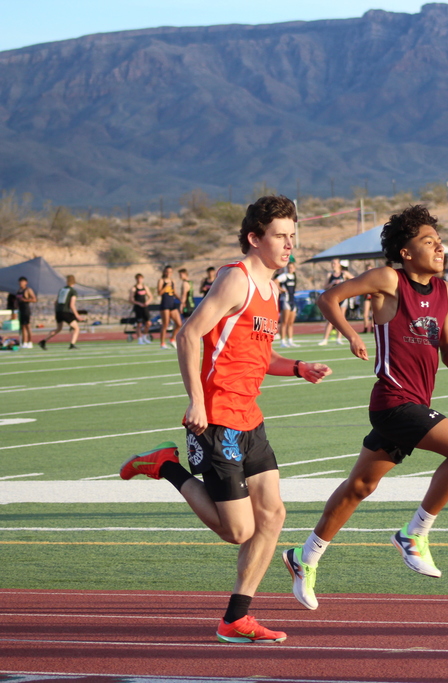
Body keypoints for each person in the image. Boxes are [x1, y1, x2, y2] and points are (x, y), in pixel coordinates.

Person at [119, 195, 332, 643]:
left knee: (273, 516)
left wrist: (297, 367)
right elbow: (188, 334)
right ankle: (165, 466)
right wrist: (195, 400)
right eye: (280, 235)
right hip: (215, 419)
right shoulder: (236, 280)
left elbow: (256, 353)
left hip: (250, 418)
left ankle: (236, 618)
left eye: (293, 236)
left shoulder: (272, 289)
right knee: (238, 530)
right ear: (255, 238)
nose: (289, 244)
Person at [282, 204, 448, 611]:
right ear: (407, 252)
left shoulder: (446, 291)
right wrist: (351, 335)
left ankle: (303, 557)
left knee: (360, 486)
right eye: (428, 242)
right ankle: (414, 534)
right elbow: (329, 298)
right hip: (393, 401)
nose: (439, 247)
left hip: (415, 402)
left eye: (440, 241)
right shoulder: (389, 279)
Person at [39, 275, 82, 350]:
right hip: (65, 312)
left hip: (58, 312)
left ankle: (43, 341)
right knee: (76, 328)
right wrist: (77, 315)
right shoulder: (72, 291)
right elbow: (72, 305)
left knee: (58, 329)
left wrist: (57, 311)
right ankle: (72, 344)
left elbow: (56, 302)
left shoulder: (62, 289)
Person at [318, 259, 352, 345]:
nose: (333, 265)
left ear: (339, 264)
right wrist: (332, 283)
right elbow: (325, 286)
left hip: (343, 298)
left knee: (341, 318)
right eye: (332, 263)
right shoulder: (330, 275)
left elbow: (354, 281)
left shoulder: (344, 274)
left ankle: (339, 338)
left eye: (334, 263)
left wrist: (344, 283)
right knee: (330, 319)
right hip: (333, 299)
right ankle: (325, 339)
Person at [156, 266, 182, 349]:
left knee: (179, 323)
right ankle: (162, 343)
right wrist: (166, 286)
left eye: (170, 272)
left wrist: (181, 300)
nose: (168, 273)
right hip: (165, 304)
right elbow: (159, 292)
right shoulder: (161, 280)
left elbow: (174, 292)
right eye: (167, 272)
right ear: (164, 272)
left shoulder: (173, 281)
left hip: (172, 303)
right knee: (165, 324)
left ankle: (172, 339)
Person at [275, 261, 298, 347]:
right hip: (286, 299)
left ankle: (290, 340)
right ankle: (283, 341)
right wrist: (281, 289)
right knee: (284, 322)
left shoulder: (294, 276)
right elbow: (275, 281)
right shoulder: (284, 276)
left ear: (294, 268)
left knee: (291, 322)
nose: (290, 269)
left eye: (292, 267)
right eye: (289, 267)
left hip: (292, 300)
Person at [129, 273, 152, 345]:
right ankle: (140, 339)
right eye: (138, 279)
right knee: (139, 324)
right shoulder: (134, 288)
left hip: (145, 308)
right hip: (138, 308)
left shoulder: (145, 287)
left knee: (148, 323)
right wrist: (139, 303)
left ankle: (145, 336)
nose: (139, 280)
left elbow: (150, 296)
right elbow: (130, 299)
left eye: (141, 278)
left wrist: (147, 302)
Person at [14, 276, 37, 348]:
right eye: (20, 282)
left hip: (26, 309)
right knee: (22, 327)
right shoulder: (18, 291)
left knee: (27, 326)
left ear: (26, 283)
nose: (21, 283)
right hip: (20, 310)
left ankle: (30, 342)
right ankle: (24, 342)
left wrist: (25, 300)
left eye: (22, 282)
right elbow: (17, 300)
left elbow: (34, 299)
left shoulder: (28, 290)